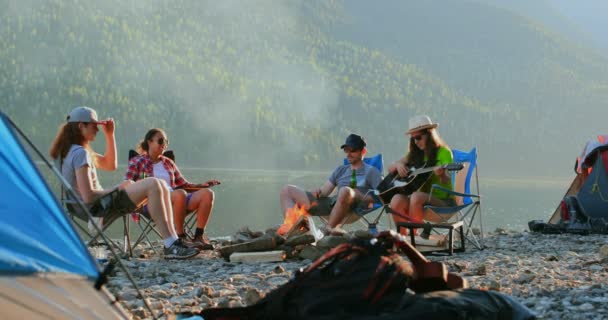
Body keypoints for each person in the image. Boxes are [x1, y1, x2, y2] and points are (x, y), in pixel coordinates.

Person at [50, 106, 199, 259]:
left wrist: (110, 135)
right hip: (98, 209)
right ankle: (171, 245)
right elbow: (88, 196)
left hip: (86, 206)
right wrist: (118, 188)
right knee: (154, 184)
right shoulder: (80, 153)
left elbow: (110, 165)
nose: (97, 130)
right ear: (81, 126)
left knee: (161, 185)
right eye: (94, 126)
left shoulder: (70, 151)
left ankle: (173, 241)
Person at [125, 128, 220, 250]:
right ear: (149, 142)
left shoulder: (168, 162)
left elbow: (184, 184)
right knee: (180, 194)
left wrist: (202, 185)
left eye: (166, 142)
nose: (164, 144)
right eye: (160, 141)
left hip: (176, 201)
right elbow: (128, 184)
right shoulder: (137, 161)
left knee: (208, 194)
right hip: (152, 203)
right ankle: (179, 238)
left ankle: (198, 237)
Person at [279, 134, 382, 234]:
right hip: (332, 204)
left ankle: (328, 231)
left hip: (352, 209)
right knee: (287, 190)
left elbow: (383, 196)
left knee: (345, 190)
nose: (349, 154)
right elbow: (324, 192)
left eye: (353, 150)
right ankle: (294, 230)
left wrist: (357, 194)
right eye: (346, 150)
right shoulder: (340, 170)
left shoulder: (371, 172)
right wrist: (317, 192)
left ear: (363, 151)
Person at [386, 115, 455, 234]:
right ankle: (403, 238)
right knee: (396, 199)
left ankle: (413, 236)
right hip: (418, 202)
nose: (416, 142)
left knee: (416, 196)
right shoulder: (416, 154)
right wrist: (398, 165)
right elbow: (390, 168)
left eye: (418, 137)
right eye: (413, 139)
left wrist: (441, 174)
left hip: (444, 202)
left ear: (429, 135)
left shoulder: (444, 152)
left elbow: (447, 179)